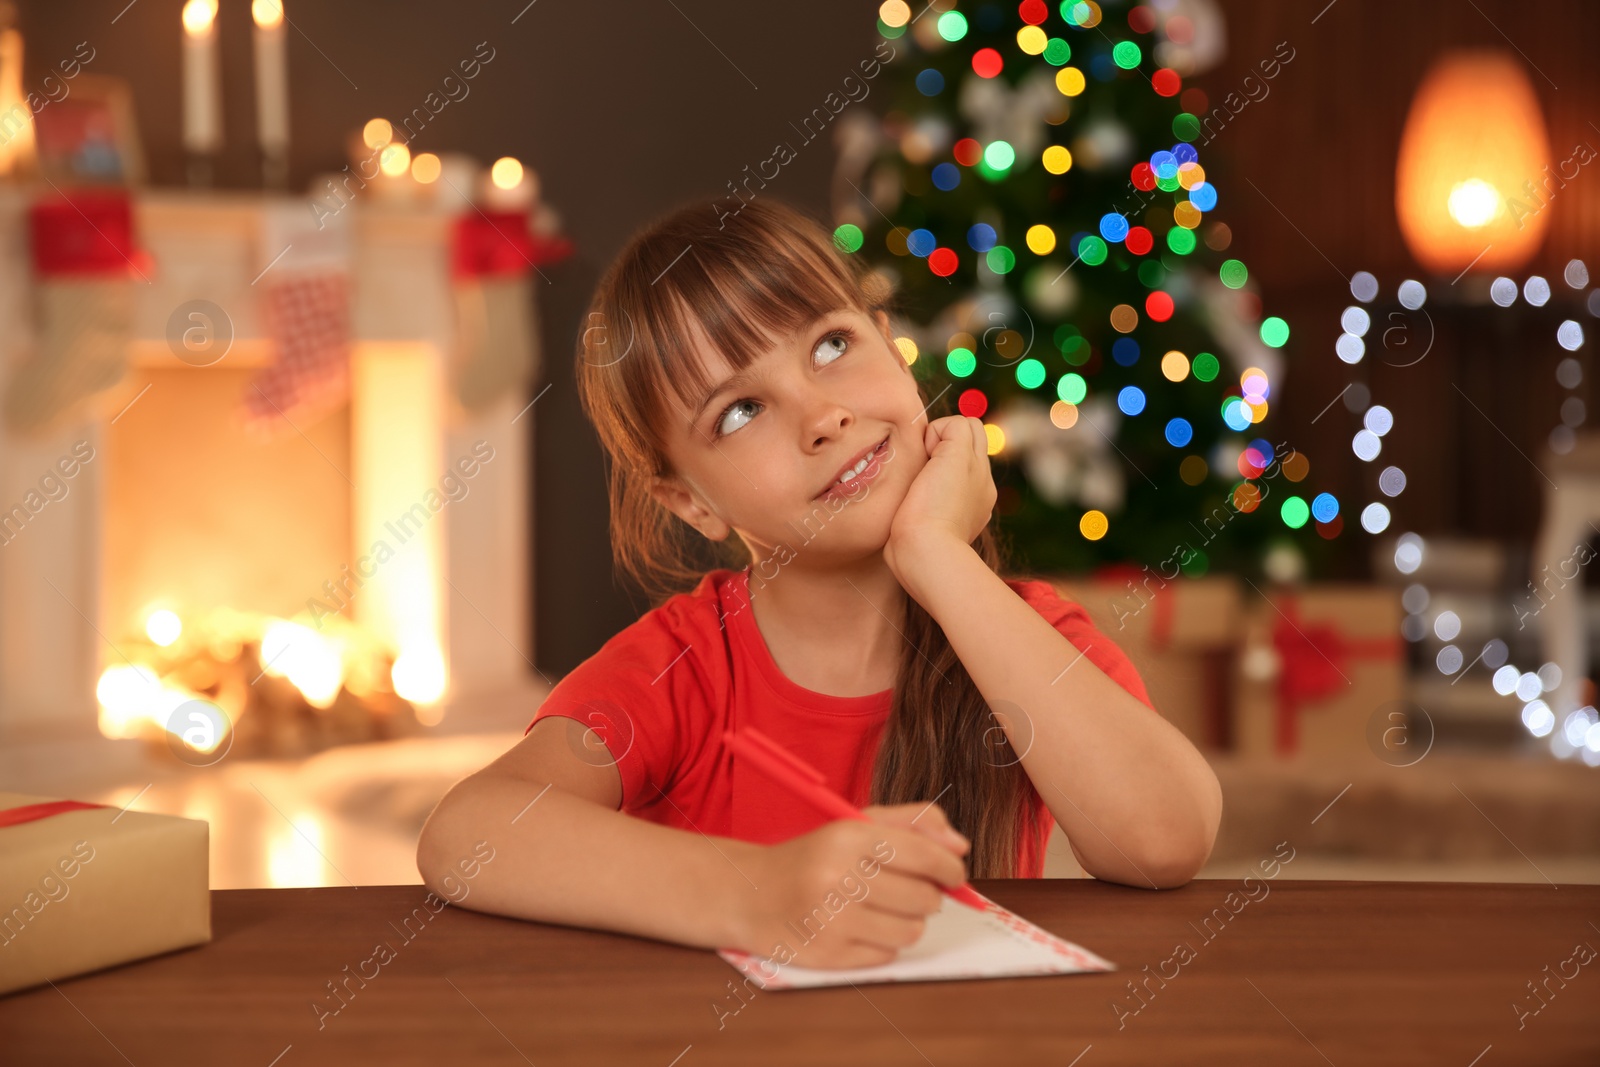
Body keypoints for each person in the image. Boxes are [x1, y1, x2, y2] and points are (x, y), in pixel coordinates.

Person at [417, 197, 1222, 969]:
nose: (822, 416)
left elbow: (1166, 838)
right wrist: (759, 895)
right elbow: (468, 833)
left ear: (888, 342)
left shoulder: (1016, 635)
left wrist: (940, 557)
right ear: (690, 501)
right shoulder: (682, 666)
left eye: (831, 346)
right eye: (739, 411)